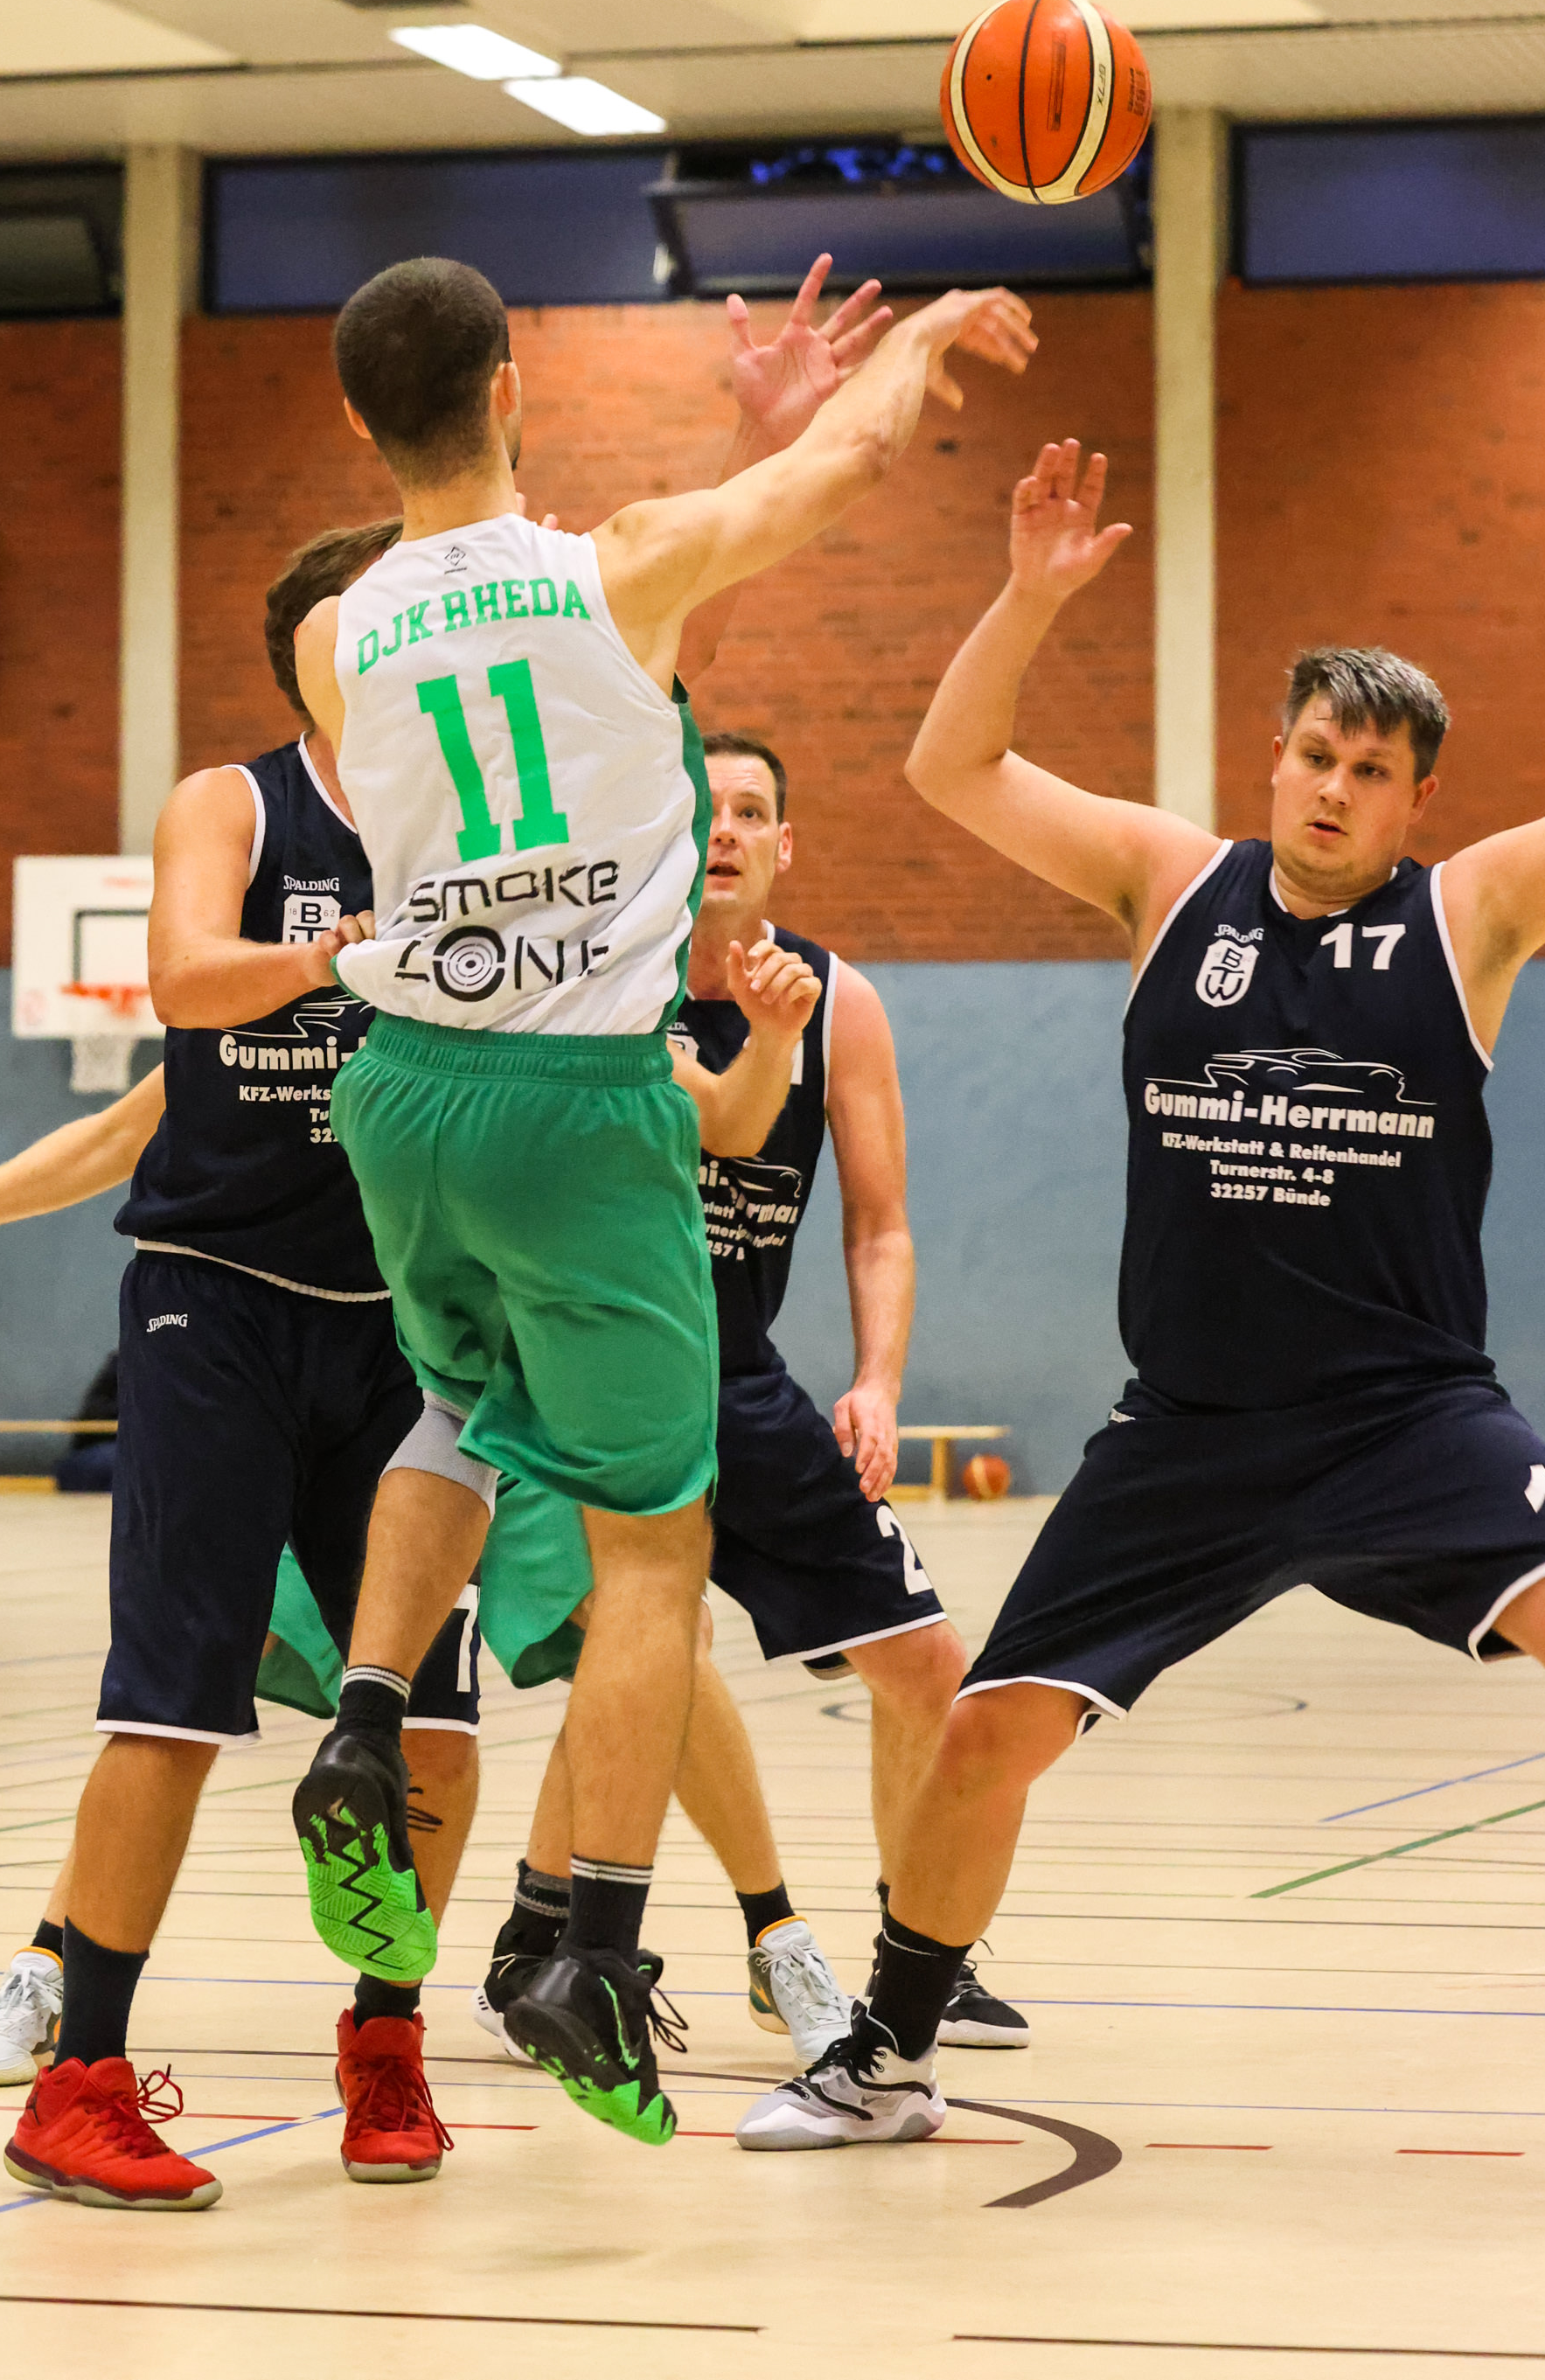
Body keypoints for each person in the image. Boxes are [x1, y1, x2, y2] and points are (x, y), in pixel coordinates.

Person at [769, 437, 1545, 2169]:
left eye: (1369, 770)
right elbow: (950, 768)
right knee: (982, 1736)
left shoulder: (1469, 916)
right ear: (1275, 757)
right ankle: (885, 2056)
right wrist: (1027, 598)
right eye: (1313, 752)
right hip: (1188, 1430)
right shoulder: (1169, 882)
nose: (1331, 787)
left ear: (1412, 802)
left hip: (1409, 1419)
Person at [282, 253, 1035, 2144]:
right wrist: (912, 346)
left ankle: (366, 1715)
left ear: (357, 420)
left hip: (399, 1087)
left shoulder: (338, 632)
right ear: (512, 386)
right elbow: (833, 484)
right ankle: (588, 1945)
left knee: (456, 1402)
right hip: (576, 1098)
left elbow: (578, 669)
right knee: (651, 1552)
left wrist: (735, 448)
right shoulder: (616, 563)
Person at [0, 520, 484, 2212]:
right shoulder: (235, 806)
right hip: (215, 1306)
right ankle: (81, 2077)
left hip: (405, 1323)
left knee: (432, 1722)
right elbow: (180, 997)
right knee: (170, 1699)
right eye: (354, 613)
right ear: (306, 648)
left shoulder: (472, 824)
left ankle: (385, 2043)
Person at [472, 731, 1026, 2094]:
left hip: (738, 1376)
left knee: (929, 1666)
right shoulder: (603, 976)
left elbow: (880, 1224)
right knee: (643, 1652)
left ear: (784, 844)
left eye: (750, 809)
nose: (722, 827)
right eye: (699, 804)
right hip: (597, 1375)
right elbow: (714, 1126)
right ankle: (542, 1946)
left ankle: (921, 1950)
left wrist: (877, 1379)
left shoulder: (842, 1001)